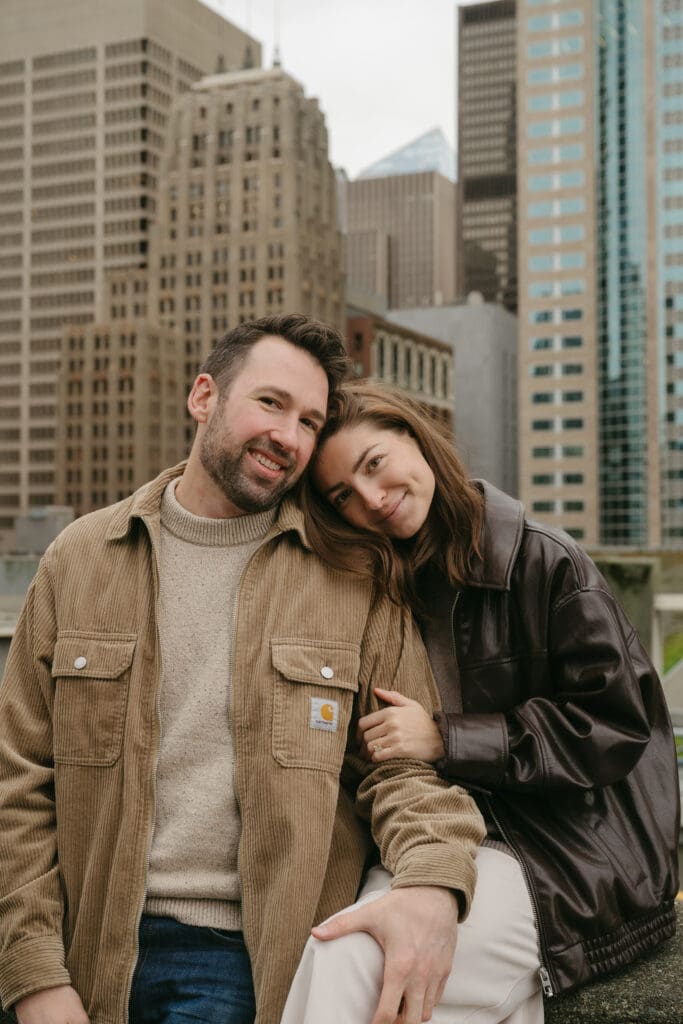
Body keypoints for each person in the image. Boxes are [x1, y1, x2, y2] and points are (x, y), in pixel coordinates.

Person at [0, 317, 487, 1024]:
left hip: (237, 961)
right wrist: (35, 974)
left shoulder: (351, 575)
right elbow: (19, 783)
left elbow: (401, 774)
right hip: (83, 949)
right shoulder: (78, 560)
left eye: (309, 421)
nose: (288, 436)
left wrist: (434, 883)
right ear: (204, 397)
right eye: (270, 403)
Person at [289, 379, 681, 1024]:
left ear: (415, 438)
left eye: (374, 464)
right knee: (349, 946)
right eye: (343, 496)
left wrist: (447, 738)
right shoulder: (377, 582)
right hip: (440, 835)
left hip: (570, 847)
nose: (371, 498)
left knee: (354, 960)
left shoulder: (545, 562)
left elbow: (613, 727)